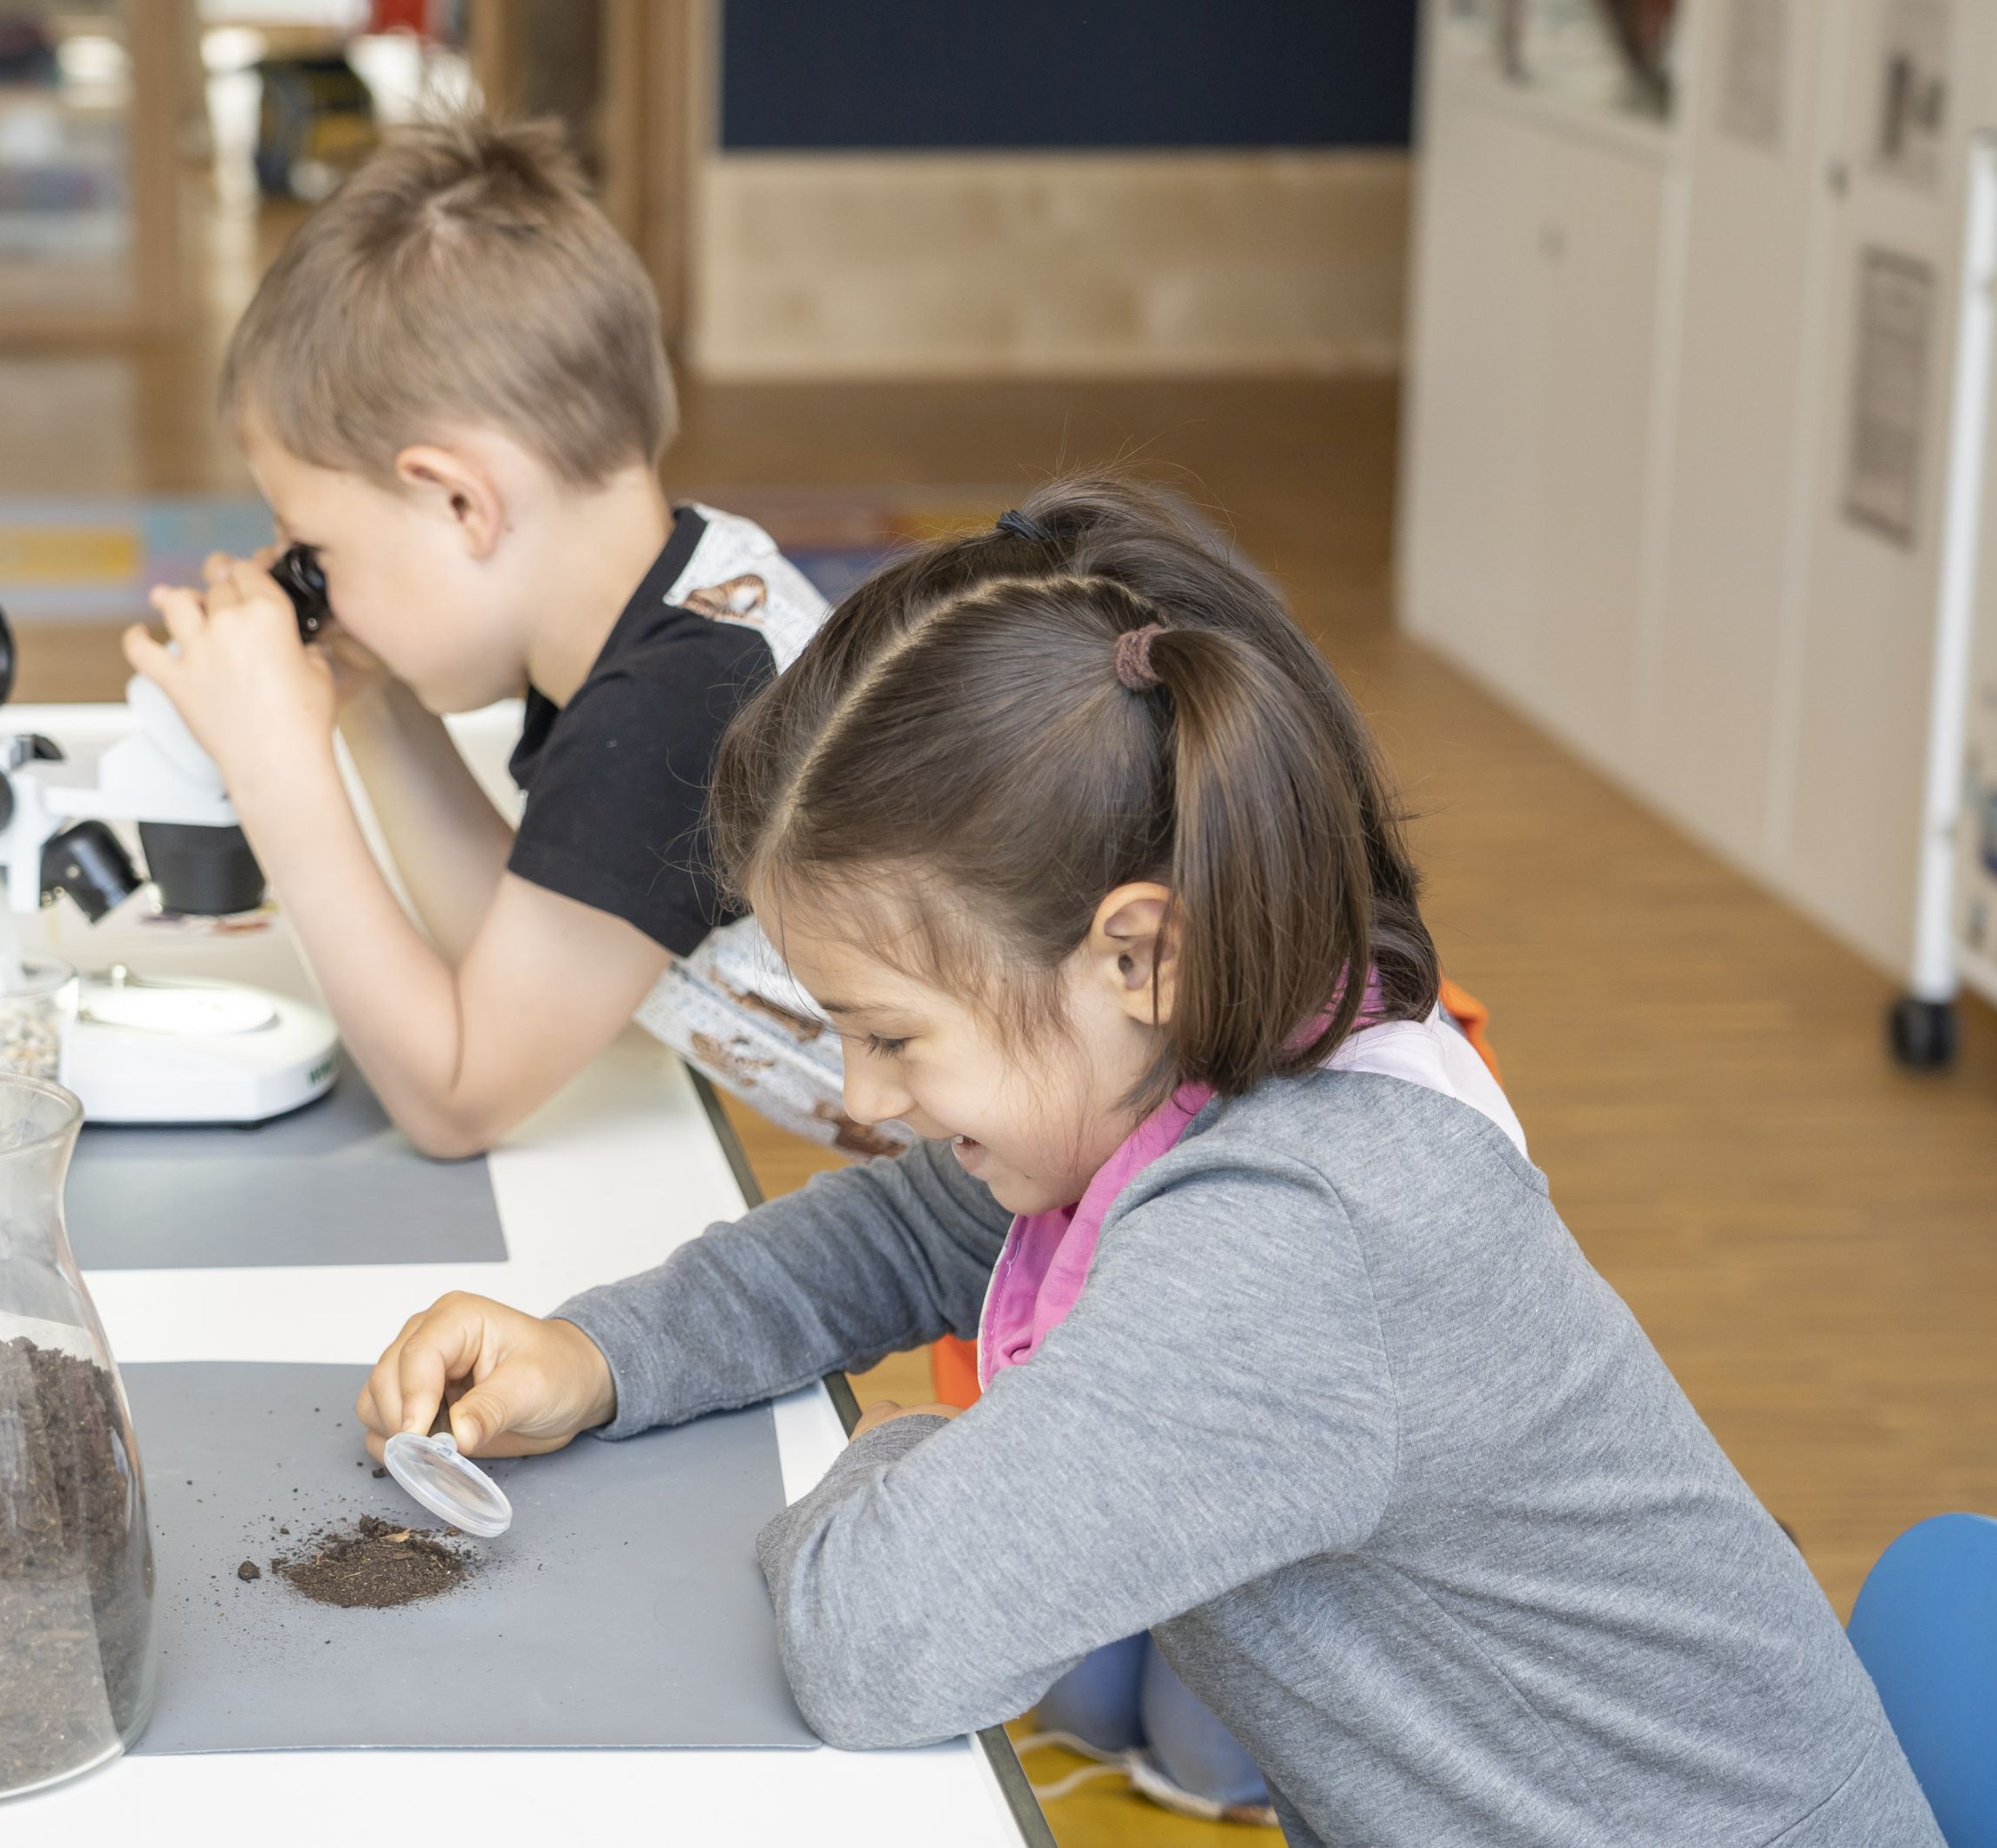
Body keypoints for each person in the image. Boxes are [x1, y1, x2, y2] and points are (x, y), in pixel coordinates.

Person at [349, 477, 1941, 1846]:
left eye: (896, 1035)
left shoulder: (1303, 1237)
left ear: (1138, 953)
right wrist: (603, 1351)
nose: (862, 1092)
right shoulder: (1234, 1050)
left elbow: (888, 1636)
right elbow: (911, 1233)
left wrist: (956, 1471)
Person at [125, 115, 890, 1159]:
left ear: (455, 504)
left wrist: (273, 768)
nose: (309, 579)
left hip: (1104, 1233)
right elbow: (526, 961)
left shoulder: (679, 708)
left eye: (314, 546)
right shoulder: (684, 604)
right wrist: (367, 697)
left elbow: (459, 1097)